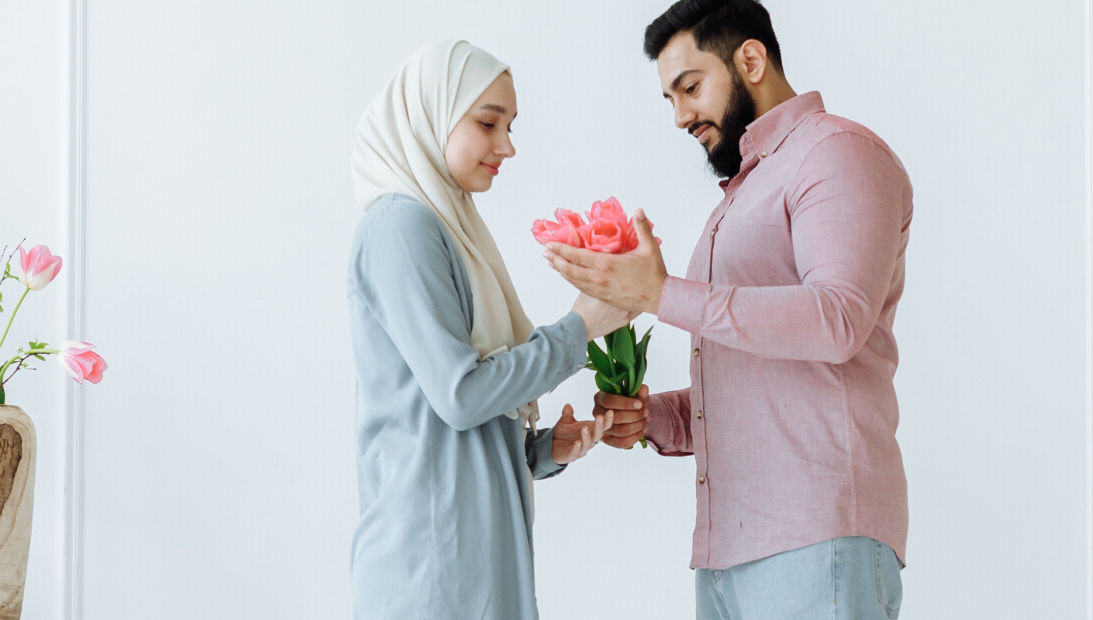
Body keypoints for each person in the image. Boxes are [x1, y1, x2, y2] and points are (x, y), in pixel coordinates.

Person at [543, 2, 915, 618]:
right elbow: (759, 381)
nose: (681, 116)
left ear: (751, 59)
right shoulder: (742, 194)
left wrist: (658, 294)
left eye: (690, 88)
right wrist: (656, 418)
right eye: (670, 98)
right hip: (728, 555)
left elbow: (838, 319)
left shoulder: (836, 153)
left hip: (817, 540)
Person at [345, 40, 632, 619]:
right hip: (429, 570)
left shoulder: (449, 228)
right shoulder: (402, 228)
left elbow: (447, 423)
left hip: (468, 560)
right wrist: (580, 327)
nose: (507, 146)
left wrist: (543, 451)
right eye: (487, 123)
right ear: (430, 116)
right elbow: (461, 394)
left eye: (510, 126)